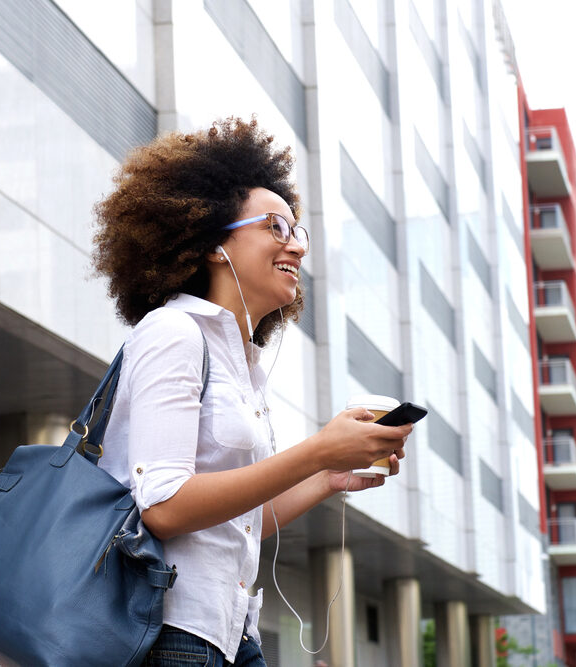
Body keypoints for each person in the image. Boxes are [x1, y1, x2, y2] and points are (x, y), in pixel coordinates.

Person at [94, 117, 412, 667]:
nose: (296, 247)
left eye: (297, 231)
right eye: (276, 227)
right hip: (171, 633)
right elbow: (165, 508)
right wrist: (316, 450)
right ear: (215, 245)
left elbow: (239, 519)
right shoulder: (173, 332)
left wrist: (326, 477)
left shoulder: (242, 361)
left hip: (231, 632)